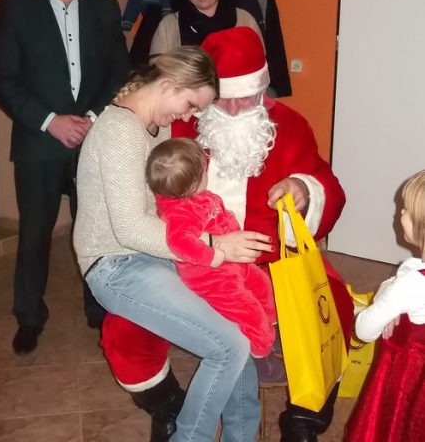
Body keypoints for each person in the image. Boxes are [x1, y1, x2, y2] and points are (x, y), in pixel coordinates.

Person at [100, 26, 355, 442]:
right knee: (125, 328)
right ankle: (169, 407)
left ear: (262, 89)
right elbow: (143, 199)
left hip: (271, 260)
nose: (234, 109)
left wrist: (303, 189)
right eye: (225, 98)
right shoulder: (181, 123)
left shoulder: (289, 125)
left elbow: (330, 186)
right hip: (189, 260)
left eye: (246, 98)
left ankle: (303, 422)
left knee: (333, 305)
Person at [73, 45, 273, 442]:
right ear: (169, 84)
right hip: (115, 265)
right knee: (228, 347)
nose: (187, 117)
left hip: (154, 256)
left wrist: (207, 226)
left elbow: (167, 207)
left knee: (238, 327)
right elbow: (130, 229)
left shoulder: (154, 125)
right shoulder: (119, 130)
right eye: (189, 105)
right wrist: (215, 244)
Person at [0, 0, 131, 355]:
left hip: (93, 137)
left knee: (97, 230)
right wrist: (52, 120)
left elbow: (119, 73)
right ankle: (29, 316)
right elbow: (3, 80)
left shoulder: (105, 8)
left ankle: (100, 309)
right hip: (39, 142)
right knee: (35, 233)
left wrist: (90, 116)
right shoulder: (16, 8)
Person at [146, 137, 286, 383]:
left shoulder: (198, 197)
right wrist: (212, 255)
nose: (207, 173)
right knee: (249, 312)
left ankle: (271, 333)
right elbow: (179, 243)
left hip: (234, 265)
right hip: (212, 279)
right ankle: (262, 360)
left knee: (264, 288)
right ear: (192, 184)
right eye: (203, 172)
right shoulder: (179, 213)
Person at [345, 170, 425, 442]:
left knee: (398, 428)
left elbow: (364, 330)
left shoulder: (410, 285)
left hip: (409, 380)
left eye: (406, 209)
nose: (400, 213)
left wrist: (387, 297)